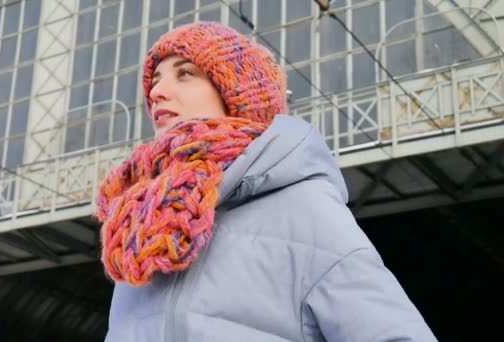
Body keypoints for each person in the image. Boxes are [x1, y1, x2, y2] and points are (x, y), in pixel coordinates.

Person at [96, 21, 437, 342]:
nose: (157, 91)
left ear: (237, 96)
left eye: (185, 74)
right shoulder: (141, 229)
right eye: (154, 79)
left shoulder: (302, 207)